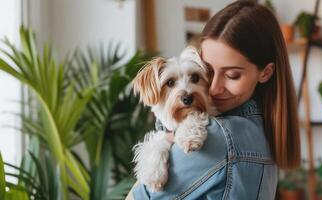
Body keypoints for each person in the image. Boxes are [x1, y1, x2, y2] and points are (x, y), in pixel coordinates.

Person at [127, 1, 300, 199]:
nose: (214, 88)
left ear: (265, 72)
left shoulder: (219, 137)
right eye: (208, 71)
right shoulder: (262, 129)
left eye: (232, 75)